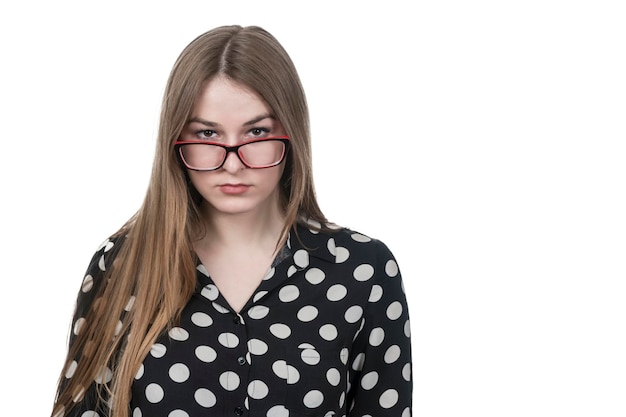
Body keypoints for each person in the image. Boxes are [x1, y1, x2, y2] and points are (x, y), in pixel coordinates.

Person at [51, 25, 412, 417]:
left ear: (291, 135)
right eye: (207, 134)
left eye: (256, 132)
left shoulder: (362, 270)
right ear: (175, 141)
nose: (234, 163)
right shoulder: (120, 266)